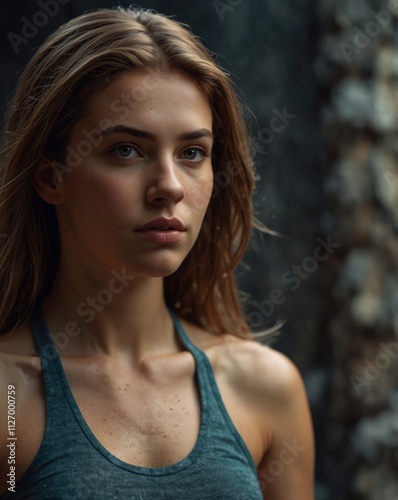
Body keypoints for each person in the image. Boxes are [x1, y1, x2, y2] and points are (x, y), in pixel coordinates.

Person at [0, 6, 314, 499]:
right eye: (126, 149)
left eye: (193, 153)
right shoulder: (9, 400)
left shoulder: (265, 388)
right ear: (51, 176)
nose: (168, 187)